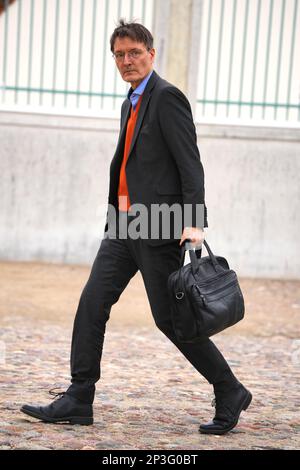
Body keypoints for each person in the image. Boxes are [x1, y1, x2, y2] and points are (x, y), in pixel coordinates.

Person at [21, 20, 252, 435]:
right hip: (122, 226)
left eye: (134, 53)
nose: (127, 61)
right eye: (119, 55)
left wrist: (194, 222)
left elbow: (190, 164)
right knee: (92, 303)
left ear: (151, 53)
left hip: (158, 226)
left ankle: (229, 388)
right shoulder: (130, 101)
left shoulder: (167, 98)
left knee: (172, 319)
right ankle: (79, 397)